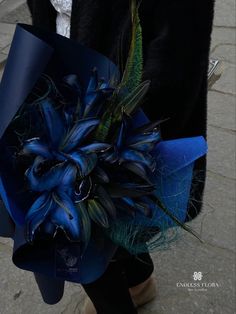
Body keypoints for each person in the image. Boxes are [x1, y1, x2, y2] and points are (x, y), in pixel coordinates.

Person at [23, 0, 213, 313]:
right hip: (61, 85)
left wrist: (125, 133)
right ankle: (138, 280)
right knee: (101, 220)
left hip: (123, 111)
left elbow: (179, 50)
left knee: (80, 224)